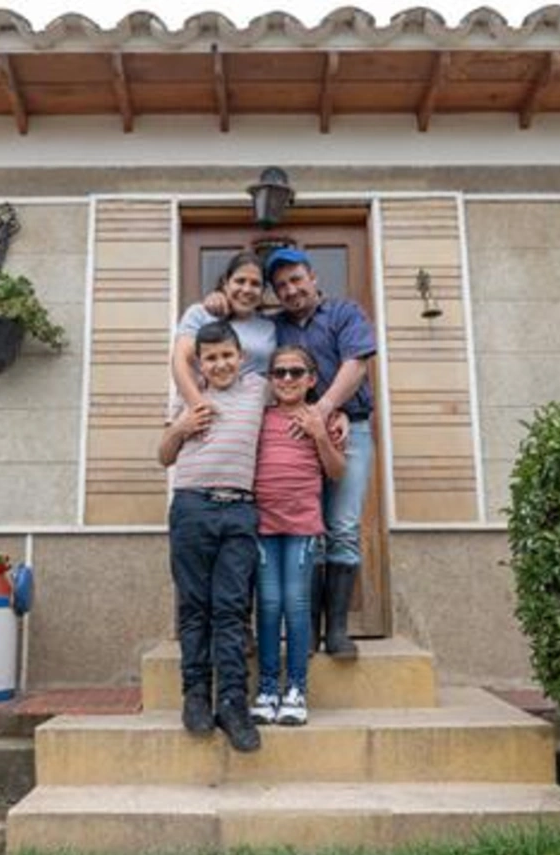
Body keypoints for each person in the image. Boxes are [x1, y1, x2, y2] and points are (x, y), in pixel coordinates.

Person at [260, 247, 377, 660]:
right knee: (310, 531)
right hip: (294, 432)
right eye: (281, 286)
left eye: (296, 280)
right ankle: (307, 630)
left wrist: (326, 410)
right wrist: (212, 304)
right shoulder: (275, 328)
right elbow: (235, 336)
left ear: (313, 277)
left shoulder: (345, 313)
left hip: (351, 429)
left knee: (342, 525)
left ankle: (339, 632)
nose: (291, 290)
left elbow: (357, 364)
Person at [157, 321, 267, 752]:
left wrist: (331, 422)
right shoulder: (187, 398)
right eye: (211, 358)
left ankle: (233, 702)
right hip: (192, 507)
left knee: (232, 608)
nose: (220, 364)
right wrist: (180, 428)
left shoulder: (258, 388)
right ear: (199, 363)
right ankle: (196, 696)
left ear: (240, 357)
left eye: (227, 355)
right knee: (194, 607)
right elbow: (163, 456)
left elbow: (298, 393)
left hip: (239, 509)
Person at [249, 345, 345, 727]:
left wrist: (320, 434)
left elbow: (336, 473)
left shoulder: (326, 418)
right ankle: (269, 688)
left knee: (295, 603)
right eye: (279, 373)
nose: (287, 379)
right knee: (268, 604)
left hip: (303, 526)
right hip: (263, 526)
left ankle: (297, 690)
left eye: (295, 372)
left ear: (311, 379)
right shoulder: (259, 418)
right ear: (270, 381)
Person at [172, 252, 275, 410]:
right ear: (226, 283)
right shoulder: (201, 314)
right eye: (240, 281)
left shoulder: (270, 326)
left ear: (263, 291)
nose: (247, 289)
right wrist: (198, 406)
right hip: (205, 407)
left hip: (251, 414)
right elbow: (181, 361)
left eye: (255, 284)